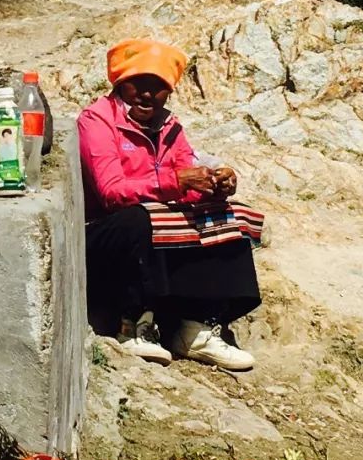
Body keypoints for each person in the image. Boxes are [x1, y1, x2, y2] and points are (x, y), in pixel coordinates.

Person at [77, 37, 262, 371]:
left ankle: (197, 326)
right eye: (138, 84)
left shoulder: (170, 127)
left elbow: (187, 185)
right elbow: (111, 192)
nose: (147, 94)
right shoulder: (97, 120)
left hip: (150, 232)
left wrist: (214, 186)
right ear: (121, 83)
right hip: (105, 236)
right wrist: (175, 183)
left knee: (226, 217)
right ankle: (131, 323)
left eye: (158, 87)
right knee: (139, 219)